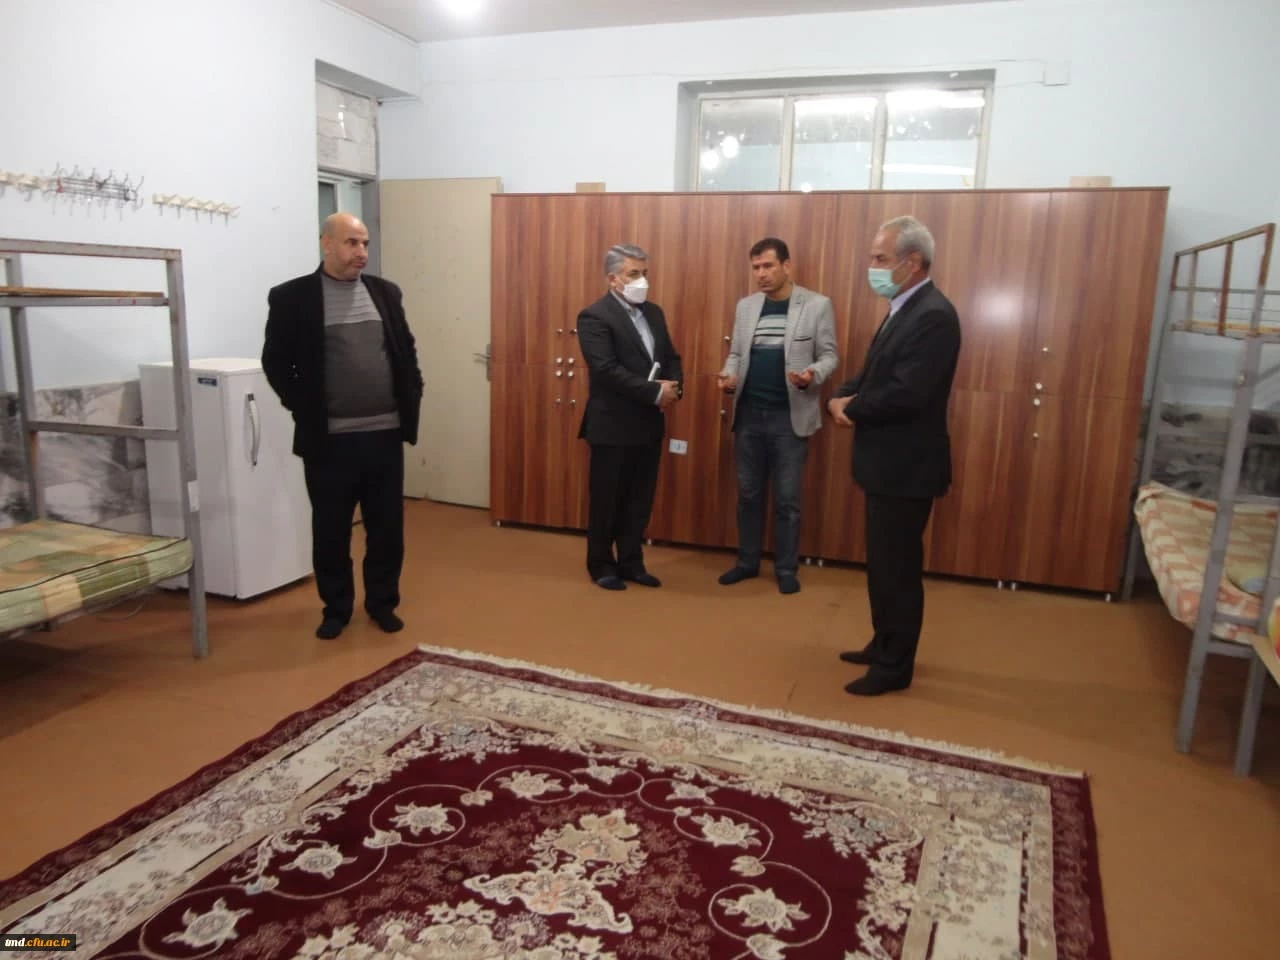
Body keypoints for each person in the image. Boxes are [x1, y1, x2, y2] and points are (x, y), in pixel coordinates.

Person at [262, 212, 424, 640]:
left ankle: (382, 603)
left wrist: (413, 391)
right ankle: (336, 608)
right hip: (329, 441)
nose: (361, 252)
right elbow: (275, 362)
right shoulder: (292, 297)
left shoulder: (385, 293)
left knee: (387, 530)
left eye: (365, 243)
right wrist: (303, 407)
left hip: (384, 435)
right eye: (352, 243)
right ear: (327, 244)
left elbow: (405, 351)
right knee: (331, 530)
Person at [827, 216, 961, 695]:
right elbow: (873, 375)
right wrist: (842, 394)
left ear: (913, 262)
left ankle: (894, 667)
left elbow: (908, 393)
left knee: (898, 570)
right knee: (883, 565)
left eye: (881, 259)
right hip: (886, 465)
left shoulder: (933, 315)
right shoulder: (902, 308)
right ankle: (883, 643)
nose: (872, 267)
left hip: (907, 467)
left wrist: (852, 408)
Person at [717, 237, 839, 594]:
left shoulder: (816, 305)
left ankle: (786, 569)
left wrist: (812, 374)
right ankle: (747, 562)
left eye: (768, 266)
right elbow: (736, 354)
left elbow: (829, 355)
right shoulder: (746, 307)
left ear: (787, 266)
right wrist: (729, 375)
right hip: (749, 416)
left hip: (790, 418)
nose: (761, 274)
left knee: (787, 500)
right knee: (748, 495)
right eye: (756, 267)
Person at [576, 243, 684, 591]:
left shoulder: (654, 313)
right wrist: (655, 392)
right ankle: (601, 564)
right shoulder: (594, 316)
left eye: (645, 273)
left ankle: (631, 562)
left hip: (648, 424)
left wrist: (675, 387)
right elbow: (606, 370)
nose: (642, 281)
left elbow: (670, 357)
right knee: (607, 499)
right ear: (613, 279)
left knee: (640, 499)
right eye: (633, 274)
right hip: (612, 425)